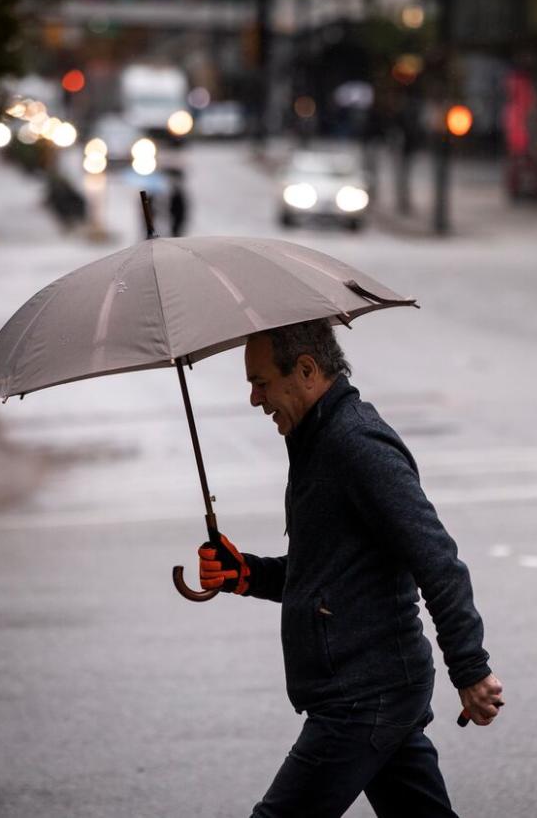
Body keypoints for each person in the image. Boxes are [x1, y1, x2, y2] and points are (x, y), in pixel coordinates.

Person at [197, 320, 503, 818]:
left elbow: (435, 556)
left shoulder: (355, 444)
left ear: (307, 370)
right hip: (374, 687)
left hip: (364, 695)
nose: (255, 398)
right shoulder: (317, 442)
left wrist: (470, 668)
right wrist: (247, 575)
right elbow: (329, 573)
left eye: (261, 382)